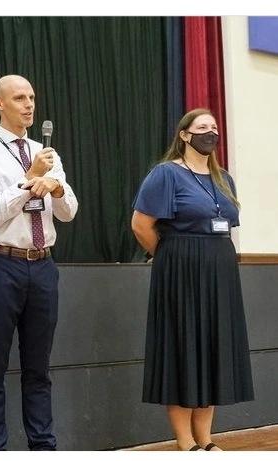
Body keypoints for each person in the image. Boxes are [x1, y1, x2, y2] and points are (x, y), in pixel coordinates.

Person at [131, 108, 253, 451]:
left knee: (212, 348)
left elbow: (227, 223)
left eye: (214, 127)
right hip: (180, 271)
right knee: (183, 348)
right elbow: (140, 225)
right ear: (185, 135)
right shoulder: (166, 174)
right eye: (202, 127)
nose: (210, 133)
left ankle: (206, 439)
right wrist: (171, 256)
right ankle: (185, 442)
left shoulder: (223, 179)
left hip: (219, 272)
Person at [0, 75, 78, 451]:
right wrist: (29, 179)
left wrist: (57, 188)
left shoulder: (45, 152)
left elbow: (68, 213)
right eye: (19, 98)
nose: (29, 104)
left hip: (43, 265)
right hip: (1, 264)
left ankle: (43, 447)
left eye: (31, 97)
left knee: (38, 368)